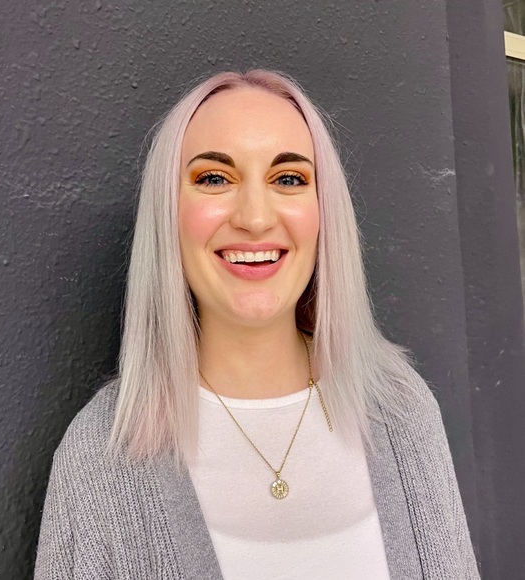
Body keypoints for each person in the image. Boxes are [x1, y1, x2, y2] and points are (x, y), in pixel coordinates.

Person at [34, 70, 480, 579]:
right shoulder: (100, 456)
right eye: (214, 179)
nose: (255, 217)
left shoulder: (401, 409)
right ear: (167, 214)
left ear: (324, 211)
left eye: (288, 179)